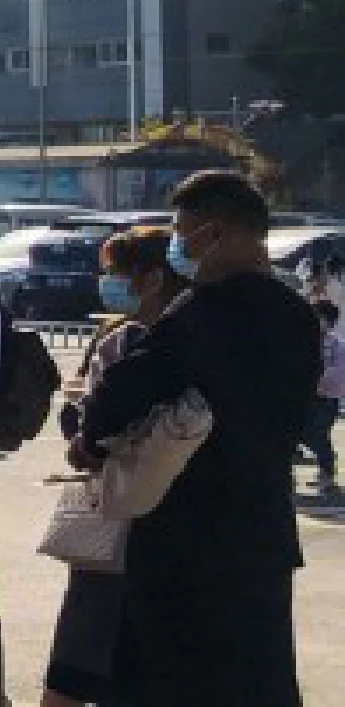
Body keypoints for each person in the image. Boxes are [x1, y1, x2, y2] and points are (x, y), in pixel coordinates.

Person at [72, 171, 320, 707]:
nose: (182, 250)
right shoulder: (299, 318)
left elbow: (122, 390)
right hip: (262, 537)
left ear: (217, 233)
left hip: (183, 538)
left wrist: (87, 438)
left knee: (168, 679)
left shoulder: (201, 313)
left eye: (186, 237)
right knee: (259, 678)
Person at [41, 227, 184, 707]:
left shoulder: (133, 345)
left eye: (117, 275)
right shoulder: (118, 338)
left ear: (151, 278)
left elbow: (89, 430)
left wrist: (84, 438)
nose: (109, 285)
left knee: (83, 656)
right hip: (141, 525)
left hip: (124, 524)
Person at [310, 300, 344, 496]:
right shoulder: (305, 342)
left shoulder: (337, 345)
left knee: (319, 433)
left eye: (320, 317)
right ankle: (326, 463)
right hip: (307, 398)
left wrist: (317, 379)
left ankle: (327, 474)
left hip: (327, 399)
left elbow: (339, 373)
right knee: (304, 433)